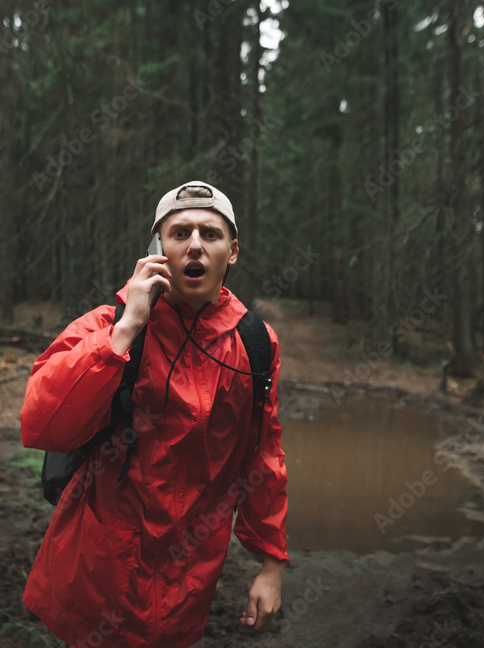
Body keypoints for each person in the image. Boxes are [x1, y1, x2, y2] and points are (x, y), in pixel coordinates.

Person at [20, 181, 289, 648]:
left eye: (211, 233)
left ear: (233, 251)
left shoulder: (256, 344)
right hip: (99, 569)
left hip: (190, 575)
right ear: (157, 247)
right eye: (180, 232)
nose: (195, 245)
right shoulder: (109, 324)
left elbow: (262, 457)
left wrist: (271, 564)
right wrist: (126, 330)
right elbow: (43, 421)